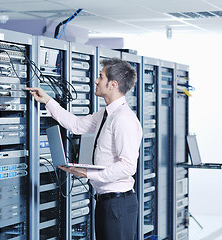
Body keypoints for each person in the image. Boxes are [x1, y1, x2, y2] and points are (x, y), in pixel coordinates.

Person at [26, 58, 142, 240]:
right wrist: (48, 101)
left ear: (113, 84)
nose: (96, 80)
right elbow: (76, 125)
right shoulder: (106, 114)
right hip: (106, 201)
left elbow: (128, 167)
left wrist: (87, 173)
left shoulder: (123, 119)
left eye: (100, 77)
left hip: (118, 204)